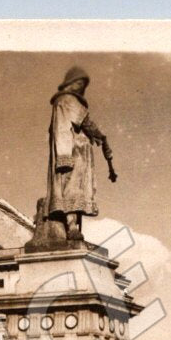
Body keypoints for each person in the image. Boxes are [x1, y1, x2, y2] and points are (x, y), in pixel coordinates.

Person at [45, 66, 116, 241]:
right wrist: (100, 136)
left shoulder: (64, 101)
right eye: (78, 82)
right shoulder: (67, 100)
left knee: (77, 189)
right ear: (70, 82)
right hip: (72, 153)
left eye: (83, 84)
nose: (81, 87)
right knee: (73, 188)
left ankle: (73, 227)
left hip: (77, 152)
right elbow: (85, 122)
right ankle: (72, 227)